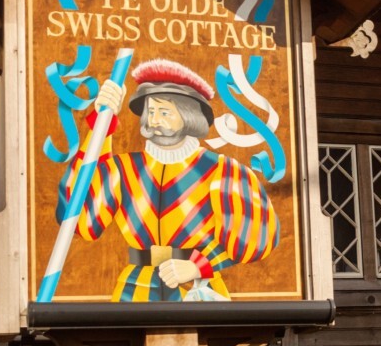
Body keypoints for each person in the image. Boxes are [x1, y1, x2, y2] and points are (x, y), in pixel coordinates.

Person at [57, 58, 279, 301]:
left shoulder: (223, 171)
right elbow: (81, 220)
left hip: (197, 292)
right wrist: (102, 124)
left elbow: (254, 237)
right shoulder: (122, 169)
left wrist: (199, 266)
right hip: (135, 290)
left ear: (189, 116)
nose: (153, 121)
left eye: (164, 112)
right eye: (150, 112)